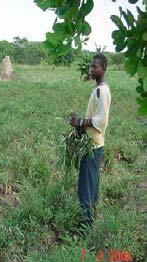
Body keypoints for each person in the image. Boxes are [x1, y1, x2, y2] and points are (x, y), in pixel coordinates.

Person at [69, 53, 111, 229]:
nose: (92, 69)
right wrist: (78, 125)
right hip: (93, 144)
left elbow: (101, 120)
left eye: (95, 67)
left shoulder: (103, 91)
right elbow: (93, 118)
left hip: (93, 146)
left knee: (86, 186)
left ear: (103, 69)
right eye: (91, 66)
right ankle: (90, 217)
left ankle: (86, 226)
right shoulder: (98, 90)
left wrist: (80, 122)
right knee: (91, 183)